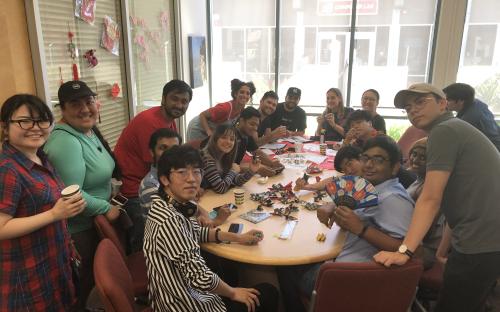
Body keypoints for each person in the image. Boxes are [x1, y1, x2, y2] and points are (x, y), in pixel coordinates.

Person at [374, 83, 500, 312]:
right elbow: (457, 198)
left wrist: (405, 251)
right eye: (408, 107)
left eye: (421, 102)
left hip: (480, 242)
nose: (413, 110)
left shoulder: (444, 131)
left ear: (443, 103)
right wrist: (442, 251)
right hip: (483, 239)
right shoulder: (454, 128)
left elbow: (430, 198)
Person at [278, 136, 415, 312]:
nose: (368, 165)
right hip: (350, 266)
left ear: (395, 167)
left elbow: (408, 250)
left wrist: (360, 228)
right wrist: (334, 208)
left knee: (285, 268)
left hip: (351, 279)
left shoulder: (393, 199)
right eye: (365, 158)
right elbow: (350, 201)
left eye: (378, 160)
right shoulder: (374, 187)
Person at [143, 144, 278, 312]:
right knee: (269, 292)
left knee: (227, 271)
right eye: (182, 172)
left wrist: (238, 238)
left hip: (185, 294)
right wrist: (233, 293)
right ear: (164, 179)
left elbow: (197, 232)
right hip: (184, 304)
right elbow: (200, 278)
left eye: (197, 171)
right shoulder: (169, 220)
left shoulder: (168, 203)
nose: (191, 179)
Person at [0, 94, 86, 311]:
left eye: (42, 120)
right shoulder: (7, 169)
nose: (35, 127)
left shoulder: (41, 158)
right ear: (4, 127)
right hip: (27, 276)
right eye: (24, 121)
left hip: (54, 263)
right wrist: (54, 214)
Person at [44, 80, 121, 308]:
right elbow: (71, 194)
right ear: (63, 110)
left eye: (88, 101)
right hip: (79, 231)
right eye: (75, 104)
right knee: (85, 289)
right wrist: (107, 208)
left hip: (94, 223)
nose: (85, 109)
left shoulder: (86, 131)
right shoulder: (65, 141)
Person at [114, 79, 192, 253]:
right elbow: (165, 165)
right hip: (136, 192)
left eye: (184, 101)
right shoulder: (149, 122)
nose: (179, 105)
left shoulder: (168, 119)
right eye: (175, 99)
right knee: (163, 243)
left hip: (154, 184)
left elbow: (174, 158)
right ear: (163, 99)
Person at [405, 138, 444, 269]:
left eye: (423, 157)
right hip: (413, 241)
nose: (415, 160)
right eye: (414, 154)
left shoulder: (430, 187)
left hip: (425, 250)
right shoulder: (420, 178)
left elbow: (426, 231)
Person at [187, 79, 256, 141]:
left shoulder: (241, 111)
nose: (245, 95)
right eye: (242, 92)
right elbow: (202, 115)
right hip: (198, 128)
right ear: (235, 94)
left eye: (248, 93)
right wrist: (209, 132)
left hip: (212, 130)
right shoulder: (225, 108)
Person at [201, 124, 260, 194]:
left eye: (232, 139)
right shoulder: (207, 159)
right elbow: (221, 188)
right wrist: (233, 171)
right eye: (223, 137)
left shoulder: (224, 156)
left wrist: (251, 171)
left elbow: (236, 181)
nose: (228, 142)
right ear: (215, 139)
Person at [443, 82, 500, 151]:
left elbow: (451, 139)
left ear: (461, 101)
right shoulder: (475, 104)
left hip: (492, 151)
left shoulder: (469, 119)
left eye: (448, 100)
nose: (444, 103)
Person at [234, 107, 285, 177]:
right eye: (252, 124)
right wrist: (256, 169)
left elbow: (257, 152)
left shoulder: (246, 134)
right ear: (241, 120)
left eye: (257, 125)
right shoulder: (230, 136)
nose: (255, 128)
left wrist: (271, 162)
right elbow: (226, 166)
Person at [294, 145, 363, 192]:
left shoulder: (371, 177)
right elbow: (334, 180)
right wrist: (308, 187)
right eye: (344, 170)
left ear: (360, 158)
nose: (349, 170)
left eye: (349, 164)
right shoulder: (353, 178)